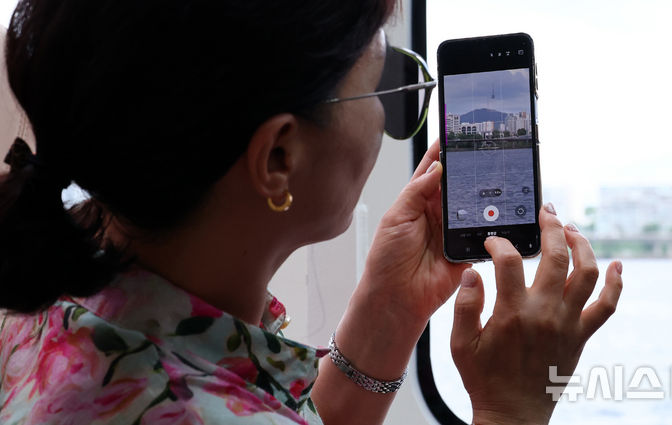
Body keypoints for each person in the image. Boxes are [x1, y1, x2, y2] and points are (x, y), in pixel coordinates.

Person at [0, 0, 623, 424]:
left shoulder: (57, 303)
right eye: (381, 86)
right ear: (278, 155)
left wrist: (389, 310)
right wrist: (511, 408)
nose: (392, 114)